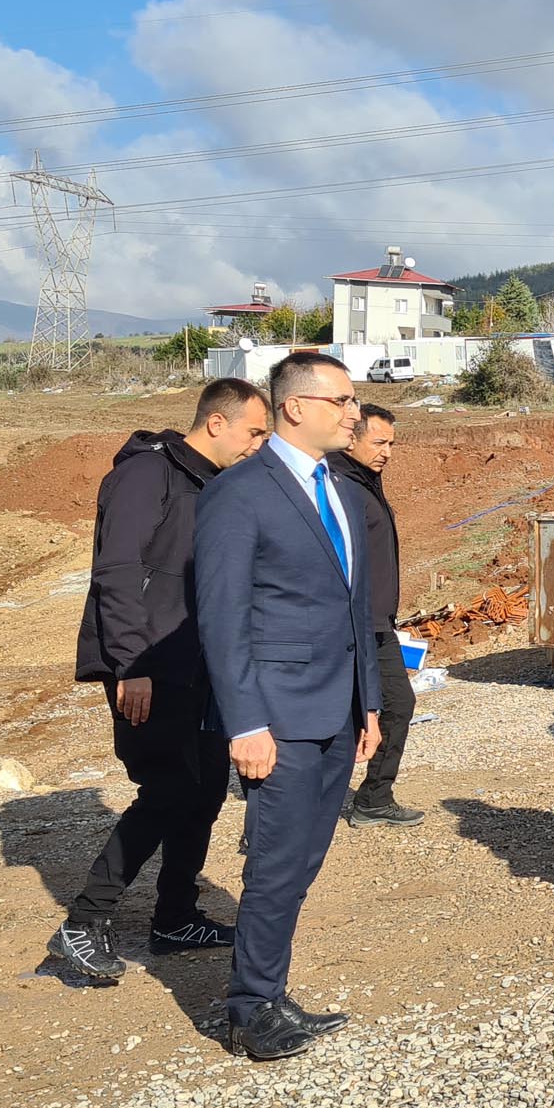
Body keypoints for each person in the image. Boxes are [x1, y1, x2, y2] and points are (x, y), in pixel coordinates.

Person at [197, 351, 384, 1061]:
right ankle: (250, 1008)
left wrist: (369, 704)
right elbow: (222, 616)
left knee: (303, 858)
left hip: (336, 711)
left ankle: (269, 990)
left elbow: (352, 604)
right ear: (295, 407)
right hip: (277, 716)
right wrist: (245, 721)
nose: (354, 413)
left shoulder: (334, 486)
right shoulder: (240, 492)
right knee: (276, 864)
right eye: (341, 401)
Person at [52, 379, 271, 981]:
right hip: (148, 665)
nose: (259, 445)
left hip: (196, 662)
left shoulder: (212, 483)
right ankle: (82, 923)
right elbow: (117, 573)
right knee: (169, 788)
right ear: (217, 422)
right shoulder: (147, 475)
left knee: (201, 792)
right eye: (254, 432)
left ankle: (175, 915)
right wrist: (132, 664)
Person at [335, 403, 423, 828]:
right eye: (380, 442)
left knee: (398, 704)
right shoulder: (336, 484)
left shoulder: (366, 480)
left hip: (377, 625)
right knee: (325, 721)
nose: (387, 451)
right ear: (352, 438)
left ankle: (373, 798)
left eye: (392, 443)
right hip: (343, 625)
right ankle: (273, 823)